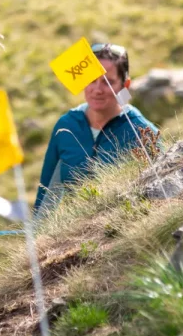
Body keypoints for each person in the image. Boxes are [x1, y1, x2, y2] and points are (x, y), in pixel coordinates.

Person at [34, 43, 159, 212]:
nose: (97, 90)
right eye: (92, 80)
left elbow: (161, 196)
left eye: (108, 82)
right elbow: (45, 200)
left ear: (125, 85)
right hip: (72, 234)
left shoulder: (142, 132)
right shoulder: (66, 126)